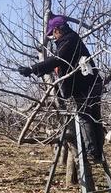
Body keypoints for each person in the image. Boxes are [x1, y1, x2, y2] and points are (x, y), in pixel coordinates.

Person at [18, 15, 104, 163]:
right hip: (92, 83)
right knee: (94, 118)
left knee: (84, 117)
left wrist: (32, 69)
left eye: (53, 33)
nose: (52, 37)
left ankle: (92, 152)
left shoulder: (69, 40)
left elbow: (58, 60)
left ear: (58, 30)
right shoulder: (72, 39)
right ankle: (97, 152)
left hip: (84, 85)